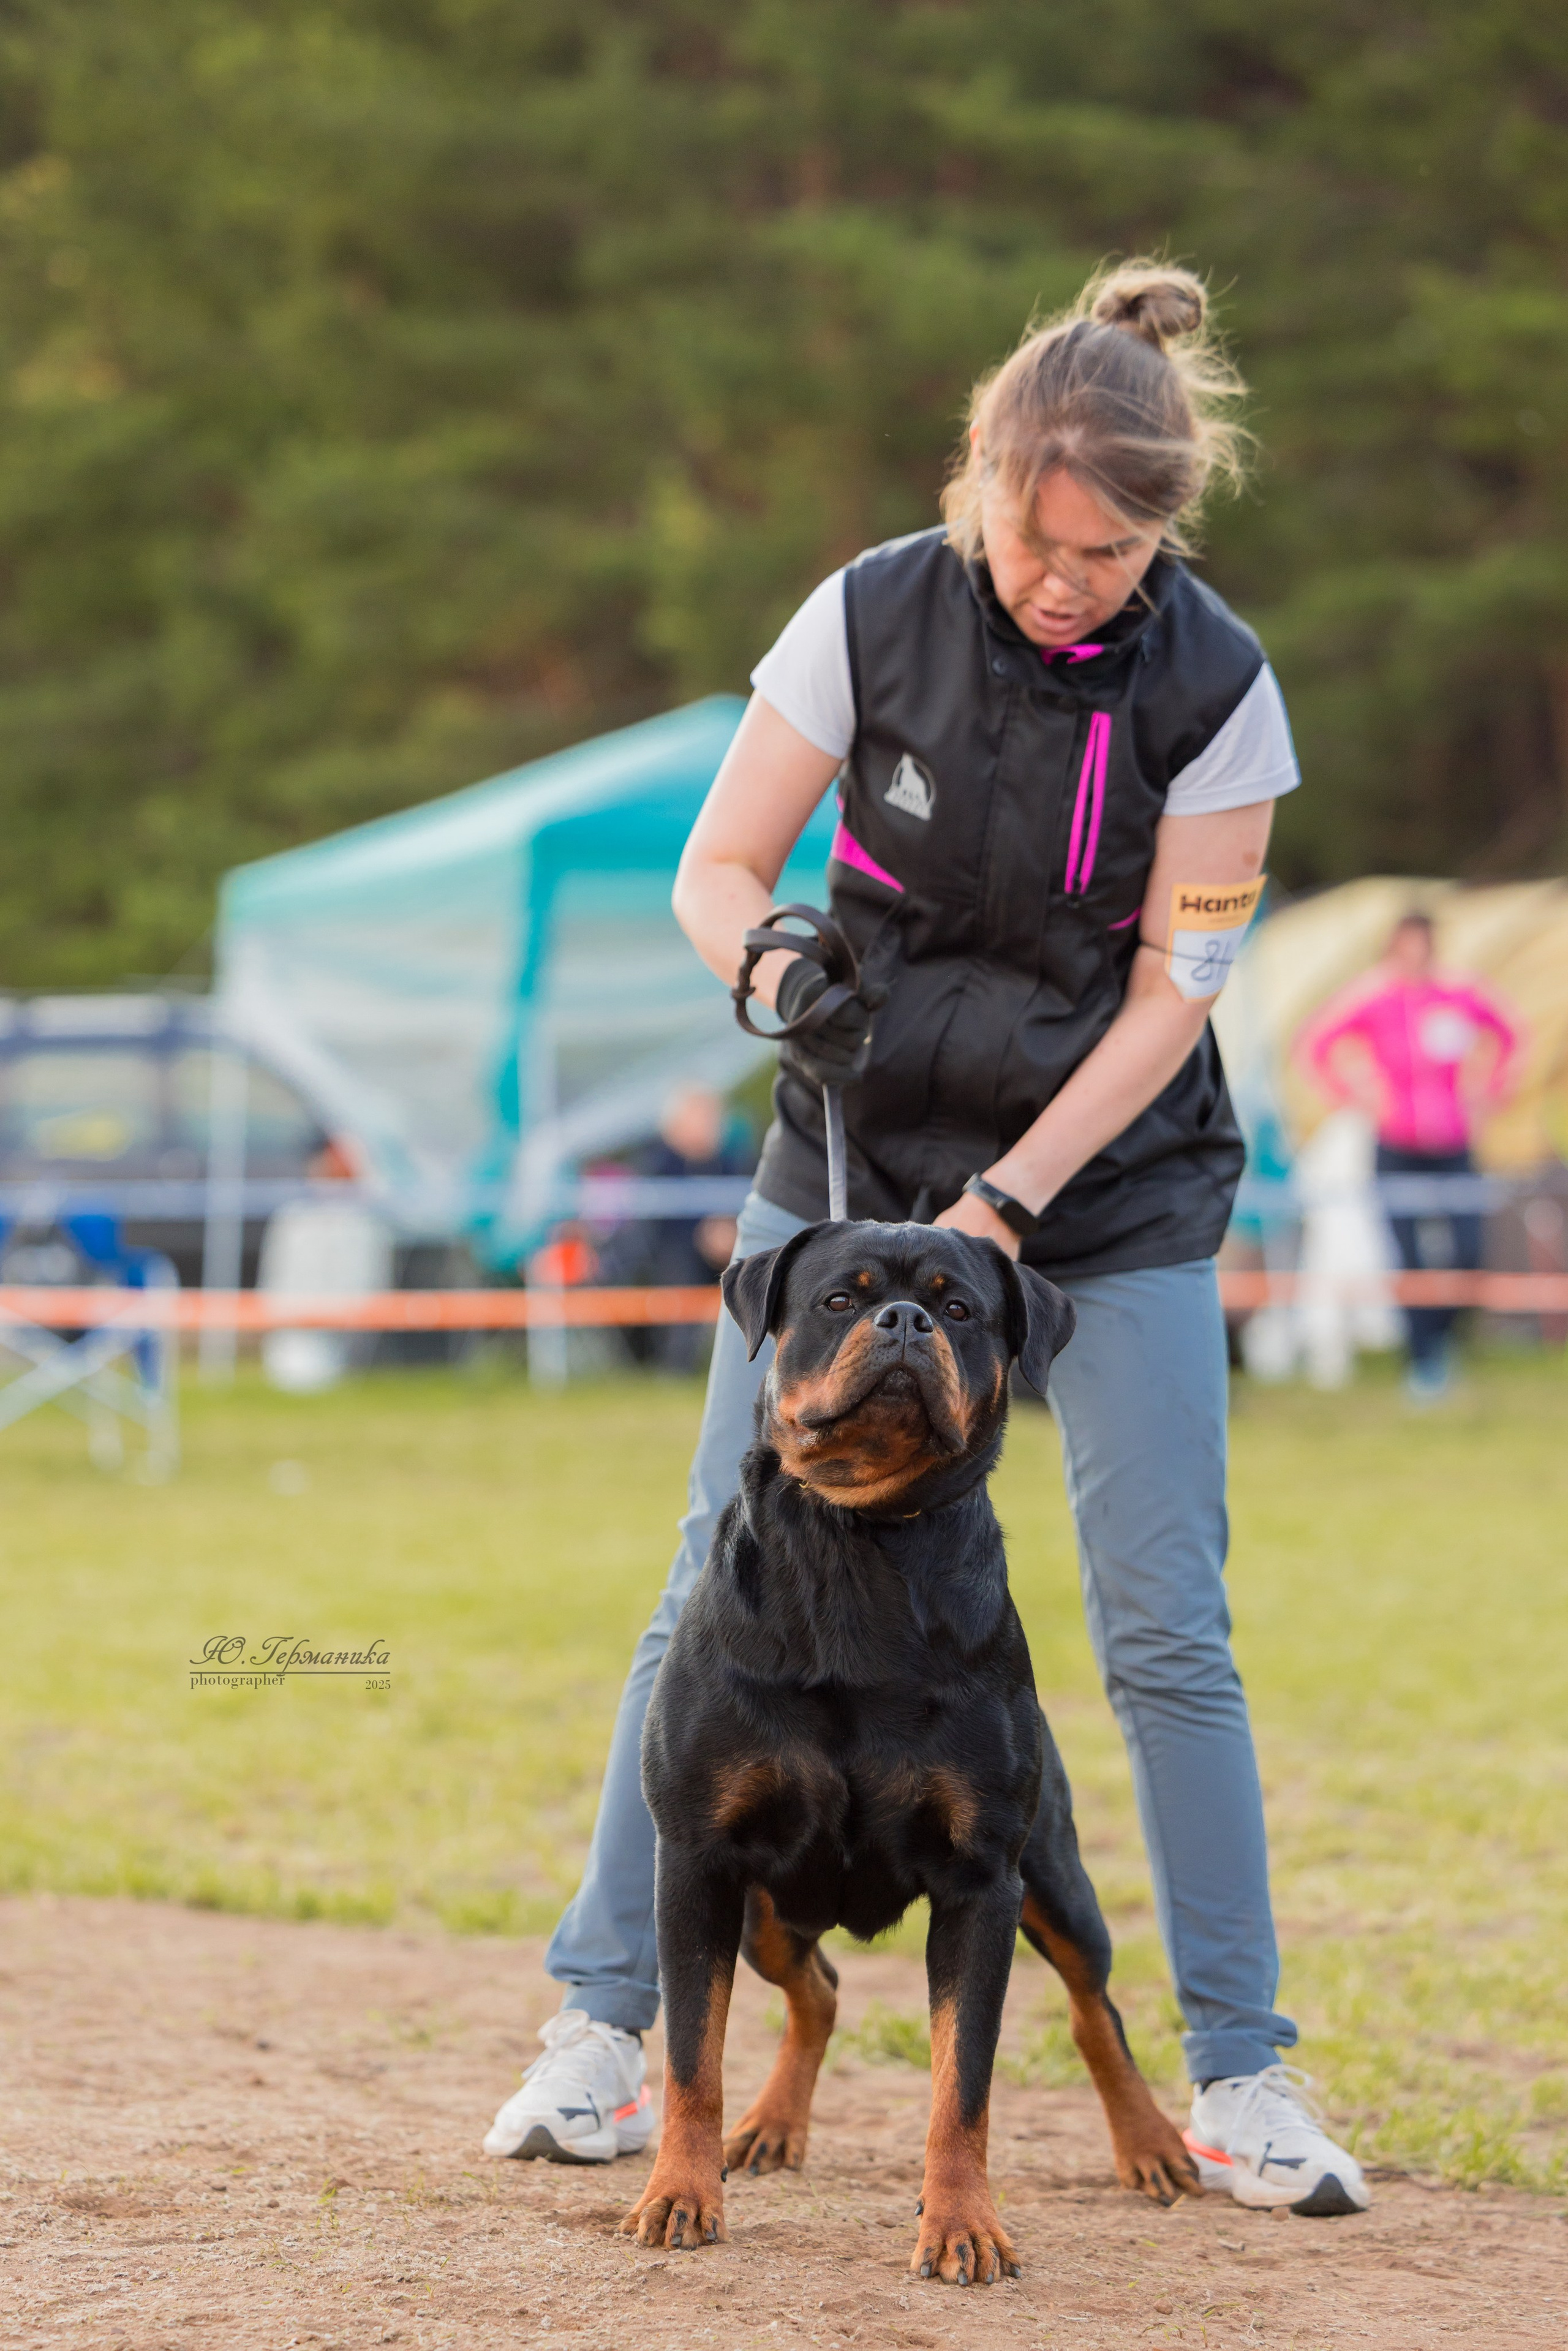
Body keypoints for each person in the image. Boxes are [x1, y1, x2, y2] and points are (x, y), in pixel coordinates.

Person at [485, 262, 1370, 2217]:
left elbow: (1172, 994)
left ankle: (1240, 2066)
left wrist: (1008, 1204)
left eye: (1116, 550)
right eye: (1043, 542)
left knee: (1161, 1624)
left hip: (1110, 1186)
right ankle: (602, 2021)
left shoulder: (1217, 687)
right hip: (843, 1166)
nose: (1072, 582)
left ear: (1166, 526)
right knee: (703, 1572)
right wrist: (769, 958)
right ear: (980, 475)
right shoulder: (866, 608)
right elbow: (718, 871)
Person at [1300, 910, 1521, 1400]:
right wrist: (1353, 1096)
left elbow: (1511, 1035)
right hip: (1397, 1144)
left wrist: (1492, 1092)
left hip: (1454, 1143)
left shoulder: (1461, 994)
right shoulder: (1374, 997)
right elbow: (1315, 1043)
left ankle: (1443, 1341)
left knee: (1469, 1251)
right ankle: (1423, 1361)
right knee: (1410, 1260)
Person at [599, 1084, 755, 1371]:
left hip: (719, 1253)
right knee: (680, 1266)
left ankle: (745, 1363)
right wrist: (702, 1235)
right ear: (676, 1124)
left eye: (712, 1118)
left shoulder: (730, 1162)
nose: (709, 1126)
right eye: (701, 1117)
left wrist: (730, 1233)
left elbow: (746, 1206)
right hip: (657, 1259)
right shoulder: (655, 1161)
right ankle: (677, 1364)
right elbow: (653, 1226)